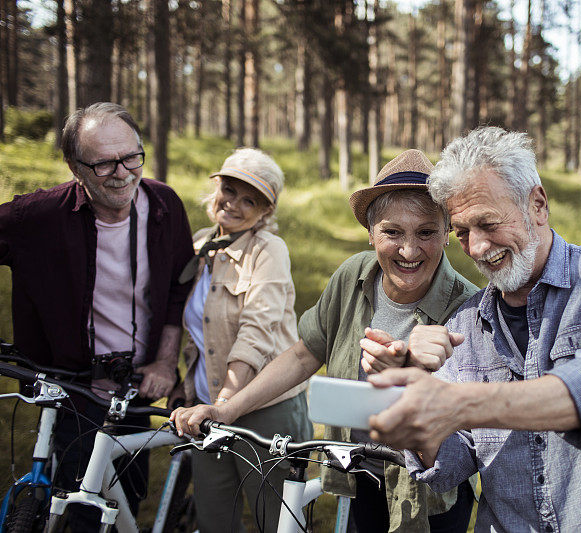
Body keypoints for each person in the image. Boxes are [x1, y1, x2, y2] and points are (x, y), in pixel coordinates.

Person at [365, 127, 581, 532]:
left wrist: (459, 403)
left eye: (488, 223)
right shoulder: (465, 325)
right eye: (463, 233)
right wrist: (408, 392)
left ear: (537, 204)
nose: (478, 248)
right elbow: (448, 465)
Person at [172, 149, 477, 533]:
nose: (409, 250)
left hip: (429, 494)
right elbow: (304, 354)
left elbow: (470, 430)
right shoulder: (352, 276)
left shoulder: (468, 307)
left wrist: (414, 376)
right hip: (359, 471)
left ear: (447, 231)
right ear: (370, 233)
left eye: (426, 232)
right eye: (392, 232)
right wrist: (227, 411)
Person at [0, 102, 194, 527]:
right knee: (80, 509)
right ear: (75, 166)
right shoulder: (39, 216)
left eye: (130, 157)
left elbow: (181, 285)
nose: (122, 172)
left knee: (127, 501)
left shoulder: (164, 207)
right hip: (74, 389)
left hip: (139, 387)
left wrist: (165, 361)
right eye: (104, 163)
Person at [176, 148, 313, 533]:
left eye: (249, 199)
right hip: (207, 407)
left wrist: (225, 404)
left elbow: (257, 329)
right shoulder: (201, 245)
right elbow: (189, 326)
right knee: (214, 518)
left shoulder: (268, 250)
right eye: (229, 190)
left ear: (266, 211)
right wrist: (189, 392)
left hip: (266, 409)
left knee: (276, 519)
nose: (234, 204)